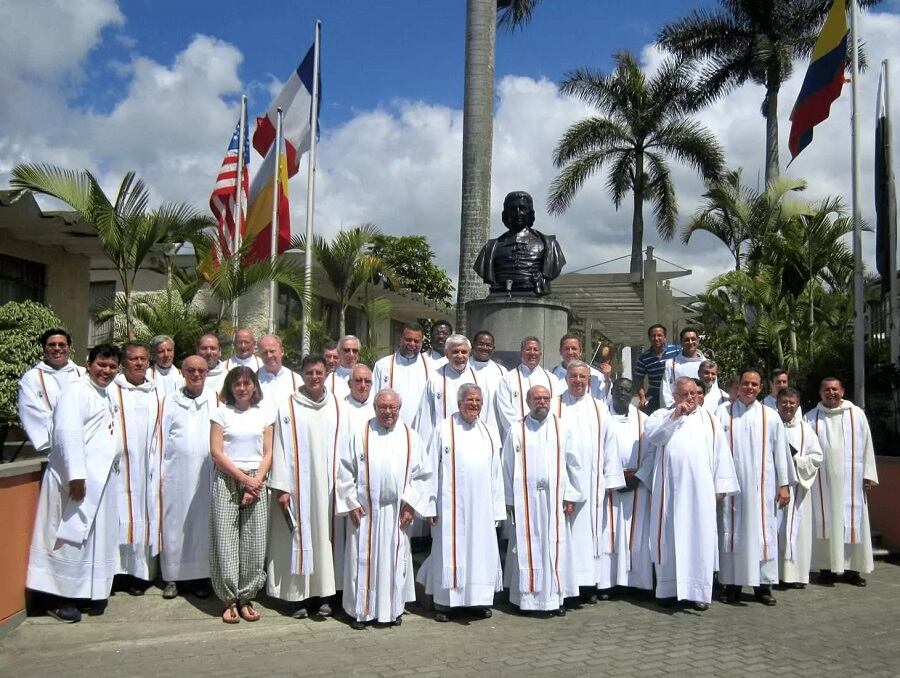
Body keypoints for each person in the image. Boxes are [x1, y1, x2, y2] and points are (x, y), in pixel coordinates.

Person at [26, 343, 120, 623]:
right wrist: (76, 476)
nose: (107, 371)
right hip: (73, 483)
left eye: (112, 366)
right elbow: (67, 435)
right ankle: (55, 598)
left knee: (86, 542)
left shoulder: (104, 394)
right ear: (88, 363)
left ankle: (81, 592)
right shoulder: (75, 391)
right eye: (102, 365)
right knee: (65, 539)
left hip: (98, 481)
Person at [337, 389, 434, 629]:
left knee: (394, 560)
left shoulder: (411, 437)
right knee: (363, 560)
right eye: (383, 407)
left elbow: (423, 475)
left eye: (392, 408)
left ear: (399, 409)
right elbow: (344, 471)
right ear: (375, 408)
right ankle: (360, 611)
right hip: (365, 512)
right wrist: (350, 502)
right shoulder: (360, 434)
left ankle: (392, 610)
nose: (388, 412)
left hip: (396, 513)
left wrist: (410, 505)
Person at [640, 377, 739, 610]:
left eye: (694, 394)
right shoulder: (661, 416)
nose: (690, 399)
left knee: (699, 536)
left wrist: (720, 486)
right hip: (669, 491)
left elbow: (721, 454)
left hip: (700, 492)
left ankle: (698, 592)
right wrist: (675, 416)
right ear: (674, 397)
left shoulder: (710, 420)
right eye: (684, 395)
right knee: (668, 535)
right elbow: (654, 438)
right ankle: (668, 589)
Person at [267, 354, 348, 618]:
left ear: (326, 374)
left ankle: (325, 594)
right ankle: (295, 597)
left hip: (327, 488)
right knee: (296, 538)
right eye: (310, 372)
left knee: (325, 538)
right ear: (302, 375)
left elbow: (345, 446)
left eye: (319, 372)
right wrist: (281, 487)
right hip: (296, 488)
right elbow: (277, 447)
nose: (315, 377)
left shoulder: (337, 405)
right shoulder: (287, 407)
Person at [417, 384, 504, 622]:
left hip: (481, 508)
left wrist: (497, 509)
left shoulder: (488, 432)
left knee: (479, 553)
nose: (474, 405)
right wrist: (429, 505)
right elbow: (429, 470)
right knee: (448, 550)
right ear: (459, 403)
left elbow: (495, 473)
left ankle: (478, 601)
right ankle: (445, 604)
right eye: (469, 400)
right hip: (449, 507)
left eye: (478, 401)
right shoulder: (443, 430)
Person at [716, 369, 795, 606]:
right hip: (733, 492)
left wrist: (784, 485)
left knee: (764, 535)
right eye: (745, 383)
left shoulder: (770, 416)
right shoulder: (722, 414)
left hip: (763, 489)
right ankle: (732, 586)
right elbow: (714, 451)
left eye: (754, 384)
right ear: (738, 386)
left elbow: (781, 453)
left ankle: (763, 587)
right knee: (733, 536)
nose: (749, 388)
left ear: (761, 388)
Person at [503, 386, 582, 615]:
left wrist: (571, 494)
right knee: (527, 547)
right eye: (537, 398)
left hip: (554, 500)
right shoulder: (516, 430)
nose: (542, 402)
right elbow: (506, 466)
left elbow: (573, 463)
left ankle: (554, 599)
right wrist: (509, 500)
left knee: (554, 547)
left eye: (546, 398)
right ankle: (525, 600)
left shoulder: (562, 427)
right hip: (525, 499)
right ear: (527, 401)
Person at [554, 361, 625, 605]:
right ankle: (563, 584)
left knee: (589, 534)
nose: (578, 381)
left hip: (592, 483)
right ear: (566, 378)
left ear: (589, 380)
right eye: (573, 376)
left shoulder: (599, 408)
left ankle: (586, 585)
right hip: (561, 483)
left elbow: (610, 443)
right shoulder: (555, 405)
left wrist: (611, 478)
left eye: (582, 377)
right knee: (564, 533)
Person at [209, 366, 274, 623]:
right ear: (230, 387)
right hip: (228, 479)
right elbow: (216, 452)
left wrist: (256, 481)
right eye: (237, 384)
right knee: (225, 541)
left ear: (255, 387)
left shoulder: (265, 414)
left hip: (256, 480)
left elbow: (268, 452)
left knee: (254, 542)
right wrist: (244, 479)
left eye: (247, 383)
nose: (243, 388)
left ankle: (246, 596)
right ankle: (228, 599)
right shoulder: (221, 413)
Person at [805, 377, 878, 587]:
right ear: (820, 393)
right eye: (826, 390)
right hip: (823, 485)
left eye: (835, 389)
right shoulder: (811, 418)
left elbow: (867, 445)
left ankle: (852, 570)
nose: (831, 393)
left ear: (842, 391)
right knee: (825, 523)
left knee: (853, 523)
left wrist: (868, 475)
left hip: (851, 484)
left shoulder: (856, 415)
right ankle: (827, 569)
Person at [156, 355, 214, 600]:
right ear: (182, 371)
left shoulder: (216, 399)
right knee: (174, 526)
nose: (196, 374)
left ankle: (202, 578)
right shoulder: (170, 400)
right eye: (191, 369)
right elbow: (159, 438)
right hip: (175, 476)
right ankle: (172, 577)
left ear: (207, 373)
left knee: (203, 527)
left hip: (206, 476)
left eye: (201, 370)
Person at [110, 342, 162, 595]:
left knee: (144, 513)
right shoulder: (111, 390)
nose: (139, 363)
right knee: (116, 515)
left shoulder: (156, 391)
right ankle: (114, 574)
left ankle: (139, 575)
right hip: (118, 469)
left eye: (143, 359)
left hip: (147, 468)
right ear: (123, 362)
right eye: (133, 359)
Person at [605, 378, 654, 592]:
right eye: (619, 389)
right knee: (609, 533)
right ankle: (607, 583)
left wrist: (638, 477)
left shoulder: (644, 420)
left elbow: (653, 452)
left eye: (627, 390)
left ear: (633, 393)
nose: (623, 394)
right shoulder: (601, 418)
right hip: (609, 486)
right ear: (612, 391)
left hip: (637, 484)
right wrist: (612, 478)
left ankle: (637, 583)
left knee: (638, 534)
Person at [473, 190, 566, 296]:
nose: (518, 213)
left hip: (534, 294)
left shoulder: (549, 245)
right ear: (506, 213)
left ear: (530, 213)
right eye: (513, 209)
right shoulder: (491, 248)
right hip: (499, 294)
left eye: (522, 208)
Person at [776, 387, 824, 588]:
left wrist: (796, 459)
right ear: (777, 403)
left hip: (798, 490)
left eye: (792, 403)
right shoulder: (770, 423)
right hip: (774, 490)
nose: (788, 406)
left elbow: (817, 457)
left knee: (799, 533)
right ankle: (774, 575)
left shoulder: (805, 429)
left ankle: (796, 576)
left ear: (797, 404)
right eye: (784, 402)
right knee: (776, 531)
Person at [18, 328, 83, 452]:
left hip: (86, 442)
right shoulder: (31, 378)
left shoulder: (83, 374)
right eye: (52, 345)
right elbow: (29, 410)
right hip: (53, 446)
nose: (57, 348)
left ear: (69, 347)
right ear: (44, 348)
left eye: (62, 344)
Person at [414, 334, 479, 445]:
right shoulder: (435, 379)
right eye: (455, 352)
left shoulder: (477, 378)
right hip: (442, 441)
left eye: (464, 352)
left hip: (471, 438)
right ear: (446, 354)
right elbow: (425, 415)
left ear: (469, 353)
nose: (460, 356)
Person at [496, 337, 557, 439]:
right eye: (528, 349)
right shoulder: (508, 379)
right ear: (521, 353)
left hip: (544, 434)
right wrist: (521, 430)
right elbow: (504, 409)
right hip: (516, 435)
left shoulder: (551, 379)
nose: (532, 353)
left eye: (536, 350)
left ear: (541, 354)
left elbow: (554, 407)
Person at [372, 323, 431, 427]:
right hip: (389, 426)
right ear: (401, 339)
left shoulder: (431, 367)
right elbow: (373, 398)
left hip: (421, 428)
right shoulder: (383, 365)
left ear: (422, 342)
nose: (412, 344)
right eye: (408, 339)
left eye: (416, 341)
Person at [633, 324, 681, 414]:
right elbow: (638, 379)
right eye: (653, 336)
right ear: (649, 338)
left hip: (674, 392)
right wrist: (642, 397)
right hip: (655, 394)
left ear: (665, 337)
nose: (656, 338)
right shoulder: (644, 357)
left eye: (659, 335)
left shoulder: (676, 350)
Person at [468, 330, 507, 435]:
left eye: (488, 345)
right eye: (481, 344)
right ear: (473, 346)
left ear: (493, 349)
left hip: (493, 428)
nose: (484, 348)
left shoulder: (501, 371)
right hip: (466, 427)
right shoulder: (463, 368)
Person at [551, 334, 609, 402]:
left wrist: (607, 379)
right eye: (566, 349)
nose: (570, 352)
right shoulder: (551, 375)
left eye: (574, 348)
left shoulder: (596, 376)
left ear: (580, 351)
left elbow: (604, 402)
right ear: (560, 351)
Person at [659, 327, 706, 409]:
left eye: (693, 339)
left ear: (698, 341)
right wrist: (673, 410)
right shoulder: (671, 364)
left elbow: (712, 390)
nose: (690, 342)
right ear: (681, 342)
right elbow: (666, 390)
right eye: (687, 340)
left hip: (702, 411)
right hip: (679, 410)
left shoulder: (706, 364)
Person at [256, 334, 300, 410]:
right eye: (264, 352)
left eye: (272, 351)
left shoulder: (296, 379)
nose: (269, 356)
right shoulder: (254, 379)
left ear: (282, 351)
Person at [344, 364, 376, 428]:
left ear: (371, 385)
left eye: (367, 381)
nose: (363, 385)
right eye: (358, 380)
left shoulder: (377, 407)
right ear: (349, 384)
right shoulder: (340, 407)